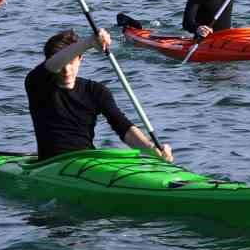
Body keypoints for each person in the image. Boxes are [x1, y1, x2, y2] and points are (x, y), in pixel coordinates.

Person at [26, 28, 171, 162]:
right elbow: (52, 65)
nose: (66, 69)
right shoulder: (36, 85)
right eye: (62, 64)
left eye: (71, 62)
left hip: (88, 161)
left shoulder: (95, 91)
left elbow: (123, 127)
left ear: (80, 59)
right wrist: (89, 42)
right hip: (51, 164)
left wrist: (151, 149)